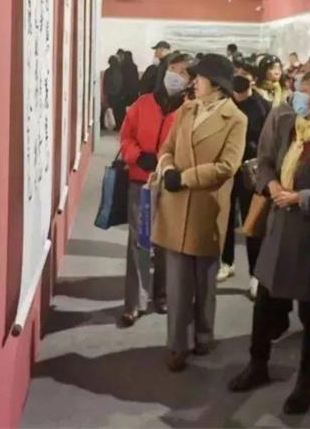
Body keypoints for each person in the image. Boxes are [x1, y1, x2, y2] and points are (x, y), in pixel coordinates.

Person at [229, 69, 310, 415]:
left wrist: (302, 198)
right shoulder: (288, 123)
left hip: (309, 236)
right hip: (277, 229)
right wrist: (271, 186)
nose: (295, 96)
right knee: (264, 301)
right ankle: (257, 364)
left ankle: (307, 382)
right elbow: (265, 162)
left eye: (303, 91)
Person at [154, 54, 247, 373]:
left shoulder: (236, 118)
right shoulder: (187, 109)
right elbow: (166, 147)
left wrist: (185, 178)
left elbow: (227, 166)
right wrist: (168, 169)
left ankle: (204, 334)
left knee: (205, 280)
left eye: (200, 78)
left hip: (206, 206)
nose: (193, 82)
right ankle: (177, 344)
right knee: (178, 283)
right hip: (175, 202)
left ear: (217, 85)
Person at [118, 53, 192, 327]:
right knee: (138, 241)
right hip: (140, 181)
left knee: (166, 242)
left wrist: (166, 164)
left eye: (183, 72)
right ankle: (134, 302)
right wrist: (137, 156)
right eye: (173, 69)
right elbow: (125, 137)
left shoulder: (189, 110)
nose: (176, 75)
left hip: (171, 184)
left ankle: (162, 295)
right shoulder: (143, 103)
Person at [218, 62, 271, 293]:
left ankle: (255, 274)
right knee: (225, 217)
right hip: (226, 169)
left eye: (244, 75)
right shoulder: (225, 102)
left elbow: (268, 141)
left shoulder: (262, 107)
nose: (239, 78)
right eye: (236, 74)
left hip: (251, 172)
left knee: (252, 222)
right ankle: (226, 262)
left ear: (253, 80)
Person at [103, 55, 126, 128]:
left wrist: (106, 92)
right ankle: (118, 125)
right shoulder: (120, 71)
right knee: (118, 110)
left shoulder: (107, 71)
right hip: (118, 94)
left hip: (110, 93)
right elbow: (121, 82)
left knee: (111, 109)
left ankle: (112, 124)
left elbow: (105, 83)